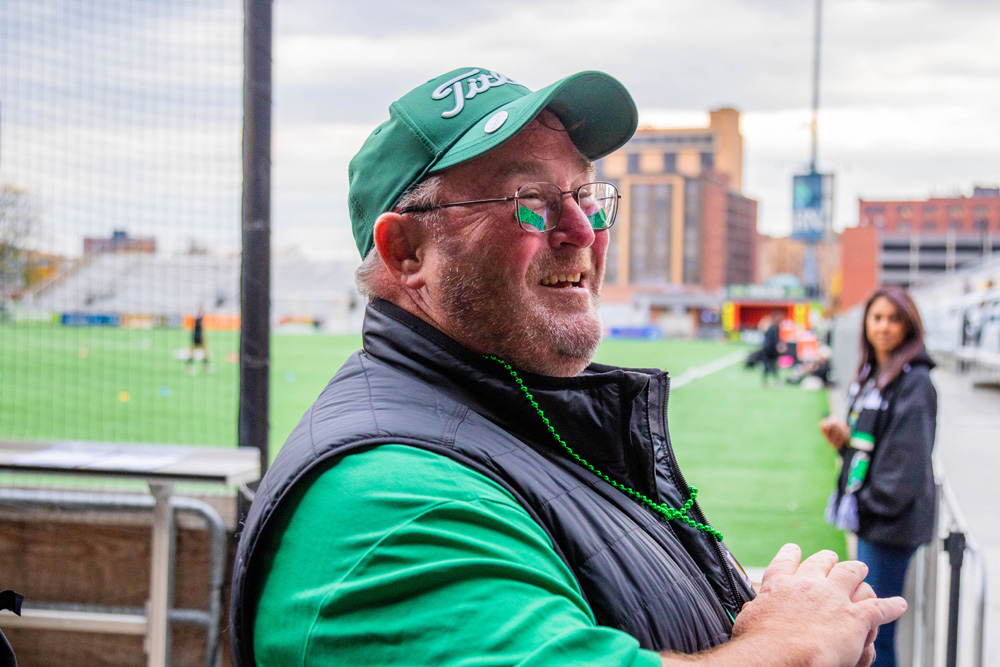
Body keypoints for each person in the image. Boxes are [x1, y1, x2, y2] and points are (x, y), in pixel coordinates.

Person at [230, 67, 905, 667]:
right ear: (407, 251)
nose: (581, 230)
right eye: (529, 198)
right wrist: (794, 643)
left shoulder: (523, 423)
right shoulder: (384, 506)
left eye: (585, 195)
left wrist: (753, 597)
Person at [820, 286, 937, 667]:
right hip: (875, 519)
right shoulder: (873, 374)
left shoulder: (915, 381)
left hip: (888, 525)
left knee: (874, 636)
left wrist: (866, 508)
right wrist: (844, 444)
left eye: (894, 318)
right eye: (877, 318)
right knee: (870, 630)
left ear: (909, 326)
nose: (884, 326)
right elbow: (874, 449)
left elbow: (905, 464)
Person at [759, 312, 782, 386]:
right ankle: (770, 382)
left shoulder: (774, 328)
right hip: (769, 350)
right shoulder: (772, 328)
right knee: (770, 366)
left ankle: (772, 382)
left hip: (770, 350)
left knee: (771, 366)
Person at [187, 304, 211, 374]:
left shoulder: (197, 317)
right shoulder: (198, 317)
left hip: (196, 335)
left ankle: (205, 367)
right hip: (198, 336)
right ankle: (205, 367)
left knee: (200, 351)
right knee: (202, 352)